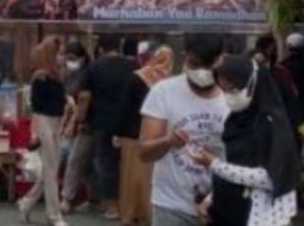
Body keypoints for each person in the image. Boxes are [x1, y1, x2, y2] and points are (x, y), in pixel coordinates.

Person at [193, 56, 299, 226]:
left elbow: (270, 178)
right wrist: (210, 199)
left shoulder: (271, 124)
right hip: (230, 210)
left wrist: (215, 165)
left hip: (261, 215)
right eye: (224, 91)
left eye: (234, 90)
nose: (228, 97)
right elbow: (233, 166)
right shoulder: (236, 119)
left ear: (252, 84)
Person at [139, 34, 228, 226]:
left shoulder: (233, 96)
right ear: (185, 57)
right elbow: (145, 153)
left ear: (221, 59)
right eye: (195, 64)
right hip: (171, 206)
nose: (202, 72)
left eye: (208, 65)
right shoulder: (163, 92)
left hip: (221, 204)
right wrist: (168, 141)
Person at [76, 34, 138, 220]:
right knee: (127, 165)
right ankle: (130, 205)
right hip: (129, 124)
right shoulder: (133, 66)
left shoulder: (94, 67)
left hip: (103, 123)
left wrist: (80, 120)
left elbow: (84, 97)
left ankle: (112, 207)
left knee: (105, 164)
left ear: (101, 49)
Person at [115, 45, 174, 226]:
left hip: (134, 135)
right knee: (149, 178)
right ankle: (147, 213)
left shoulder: (138, 77)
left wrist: (118, 133)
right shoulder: (169, 83)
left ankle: (131, 212)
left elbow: (125, 107)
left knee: (131, 176)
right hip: (155, 136)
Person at [19, 37, 68, 226]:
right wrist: (36, 133)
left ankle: (26, 203)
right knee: (51, 170)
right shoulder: (40, 77)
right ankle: (54, 215)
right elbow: (37, 108)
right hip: (44, 122)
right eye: (59, 53)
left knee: (51, 169)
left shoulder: (56, 75)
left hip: (55, 122)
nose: (62, 57)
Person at [59, 41, 96, 213]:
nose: (69, 61)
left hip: (85, 123)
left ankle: (66, 199)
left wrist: (76, 121)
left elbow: (83, 101)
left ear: (82, 58)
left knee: (75, 160)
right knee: (86, 163)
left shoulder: (87, 74)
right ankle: (94, 197)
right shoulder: (70, 75)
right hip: (73, 122)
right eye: (67, 58)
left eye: (72, 58)